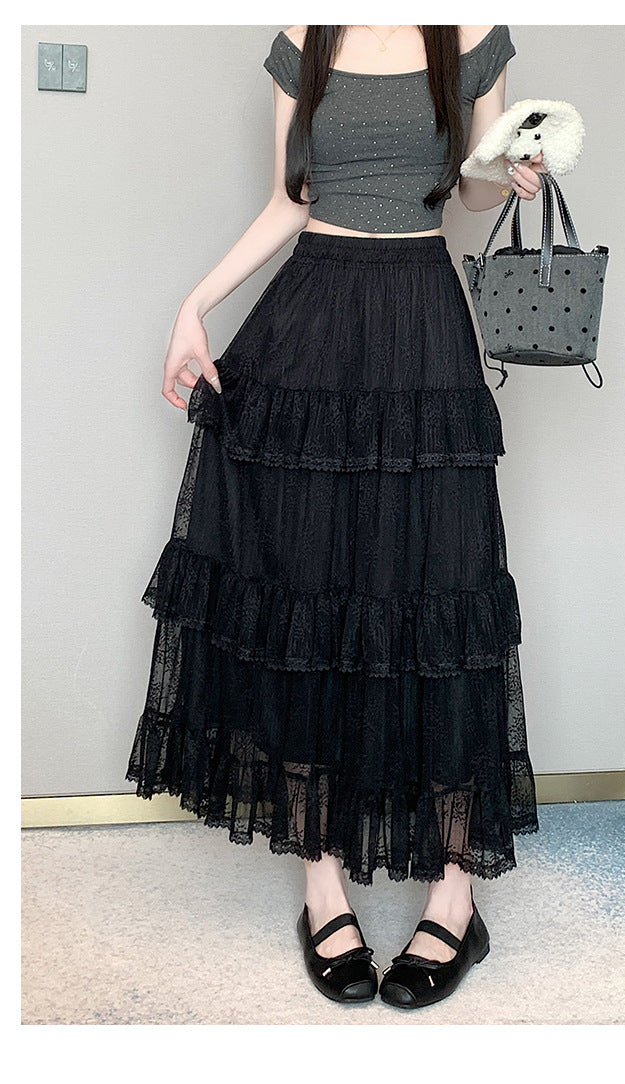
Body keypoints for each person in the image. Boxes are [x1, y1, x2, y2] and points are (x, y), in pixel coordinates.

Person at [126, 24, 544, 1010]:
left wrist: (510, 175)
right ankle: (323, 888)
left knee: (443, 598)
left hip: (424, 319)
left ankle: (456, 896)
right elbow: (292, 198)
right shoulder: (304, 35)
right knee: (309, 592)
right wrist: (195, 305)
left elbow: (470, 190)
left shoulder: (470, 31)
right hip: (314, 317)